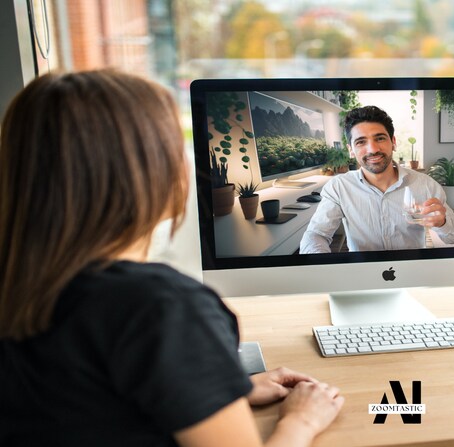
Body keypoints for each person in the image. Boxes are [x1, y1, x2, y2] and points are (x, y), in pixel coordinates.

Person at [0, 70, 343, 447]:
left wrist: (218, 389)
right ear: (148, 170)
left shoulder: (23, 287)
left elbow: (89, 406)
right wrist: (301, 421)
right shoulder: (160, 308)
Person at [300, 105, 454, 253]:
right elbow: (316, 234)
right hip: (362, 274)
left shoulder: (426, 184)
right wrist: (321, 265)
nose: (372, 149)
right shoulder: (338, 187)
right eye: (361, 142)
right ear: (351, 150)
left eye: (380, 138)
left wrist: (443, 223)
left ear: (393, 142)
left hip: (412, 270)